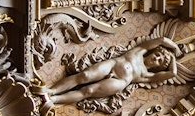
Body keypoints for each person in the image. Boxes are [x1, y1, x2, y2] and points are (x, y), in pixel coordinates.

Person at [43, 36, 184, 106]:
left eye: (160, 61)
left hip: (119, 82)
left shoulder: (147, 75)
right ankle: (52, 91)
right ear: (153, 51)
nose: (156, 59)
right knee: (84, 76)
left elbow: (173, 73)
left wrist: (172, 59)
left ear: (158, 67)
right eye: (157, 55)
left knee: (88, 91)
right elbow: (162, 39)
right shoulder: (140, 51)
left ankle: (54, 100)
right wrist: (175, 49)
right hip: (113, 64)